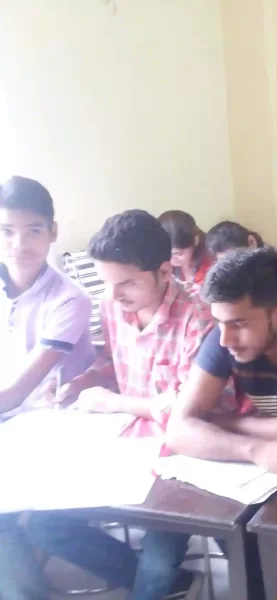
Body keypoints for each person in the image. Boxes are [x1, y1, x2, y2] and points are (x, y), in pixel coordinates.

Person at [28, 209, 213, 599]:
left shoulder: (199, 316)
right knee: (45, 525)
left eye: (127, 283)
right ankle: (175, 583)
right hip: (121, 449)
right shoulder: (113, 304)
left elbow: (189, 408)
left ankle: (160, 580)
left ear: (164, 272)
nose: (113, 295)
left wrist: (114, 402)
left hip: (177, 459)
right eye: (106, 283)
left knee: (157, 562)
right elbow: (112, 360)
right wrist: (81, 383)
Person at [166, 247, 277, 475]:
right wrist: (256, 451)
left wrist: (221, 422)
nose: (225, 340)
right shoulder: (223, 337)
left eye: (239, 324)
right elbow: (177, 431)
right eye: (219, 322)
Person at [0, 176, 94, 600]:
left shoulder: (69, 299)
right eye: (6, 231)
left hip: (54, 424)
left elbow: (19, 393)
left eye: (33, 230)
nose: (19, 244)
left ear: (53, 232)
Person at [158, 210, 214, 286]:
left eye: (178, 253)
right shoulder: (160, 263)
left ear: (195, 241)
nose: (171, 259)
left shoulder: (212, 265)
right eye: (166, 253)